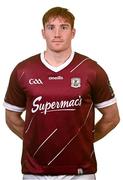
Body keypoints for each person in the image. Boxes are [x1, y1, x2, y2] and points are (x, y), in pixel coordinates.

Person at [3, 6, 120, 180]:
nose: (57, 34)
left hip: (81, 171)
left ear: (73, 32)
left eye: (63, 27)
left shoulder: (91, 70)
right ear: (43, 33)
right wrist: (36, 141)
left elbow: (112, 117)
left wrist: (84, 140)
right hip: (35, 171)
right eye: (51, 27)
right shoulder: (23, 70)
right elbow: (11, 118)